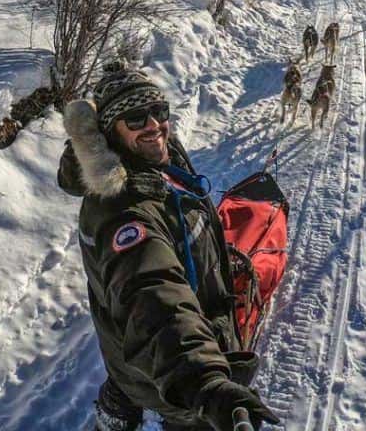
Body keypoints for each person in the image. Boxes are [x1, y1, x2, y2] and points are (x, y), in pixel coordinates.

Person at [58, 62, 279, 431]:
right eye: (135, 117)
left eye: (159, 111)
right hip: (178, 369)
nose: (153, 125)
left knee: (129, 368)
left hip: (135, 350)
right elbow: (153, 295)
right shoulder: (125, 213)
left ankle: (118, 403)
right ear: (110, 133)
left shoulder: (154, 158)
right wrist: (204, 382)